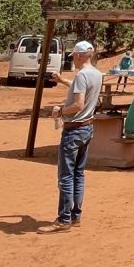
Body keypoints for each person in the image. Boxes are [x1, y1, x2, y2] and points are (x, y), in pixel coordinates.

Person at [51, 41, 103, 228]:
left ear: (80, 56)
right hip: (87, 128)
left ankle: (64, 219)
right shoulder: (96, 74)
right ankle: (75, 216)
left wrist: (60, 111)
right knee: (78, 174)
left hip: (74, 129)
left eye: (73, 55)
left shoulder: (82, 75)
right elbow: (79, 87)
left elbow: (78, 104)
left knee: (66, 175)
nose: (72, 58)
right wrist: (61, 80)